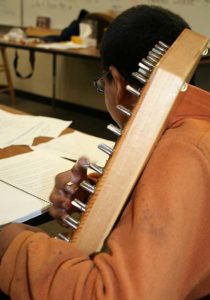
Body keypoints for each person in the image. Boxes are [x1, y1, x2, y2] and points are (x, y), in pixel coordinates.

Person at [1, 5, 210, 300]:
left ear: (118, 82)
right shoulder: (191, 133)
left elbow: (111, 294)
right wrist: (97, 202)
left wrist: (16, 245)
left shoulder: (183, 153)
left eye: (103, 85)